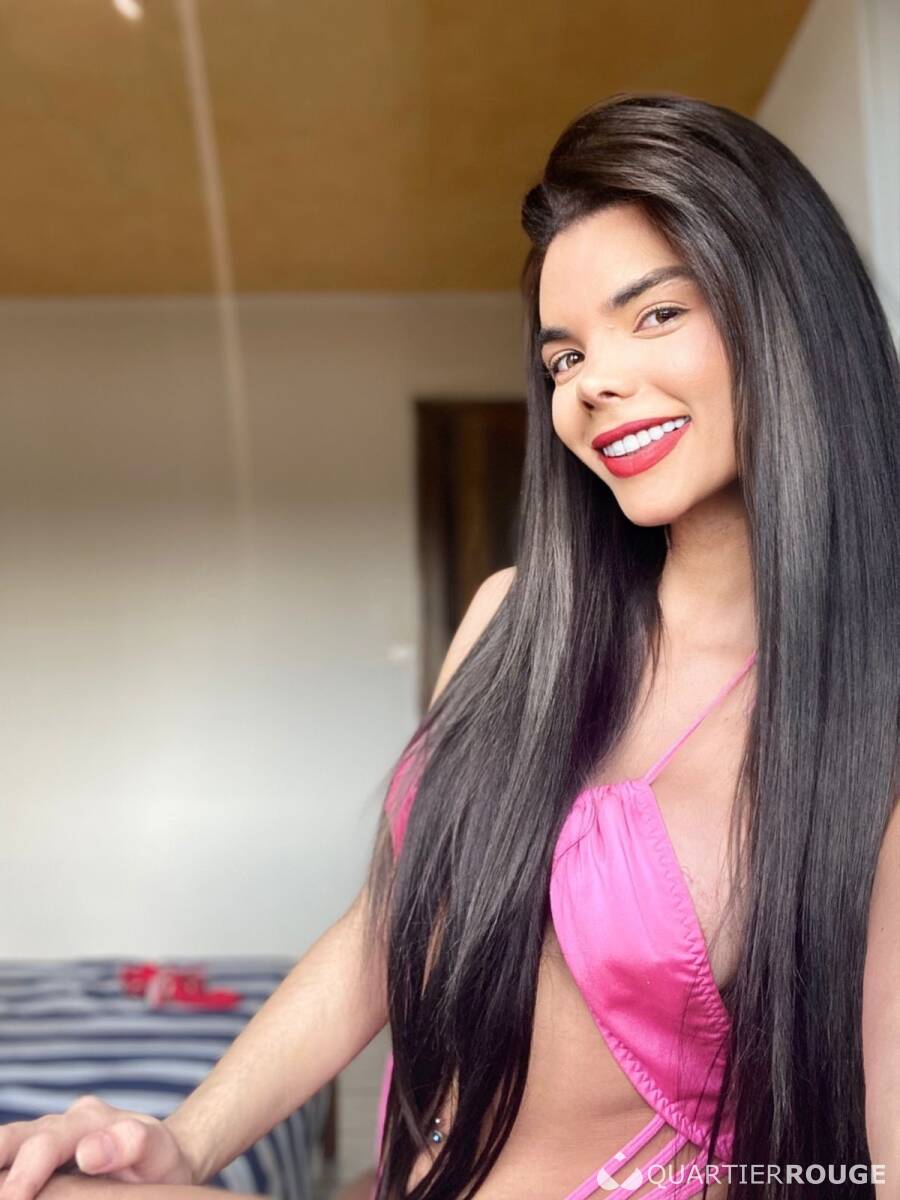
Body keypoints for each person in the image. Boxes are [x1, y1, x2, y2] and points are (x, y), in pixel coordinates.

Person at [0, 91, 897, 1200]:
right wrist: (186, 1141)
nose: (594, 383)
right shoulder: (511, 619)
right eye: (563, 358)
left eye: (657, 313)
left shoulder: (871, 708)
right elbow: (386, 930)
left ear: (787, 313)